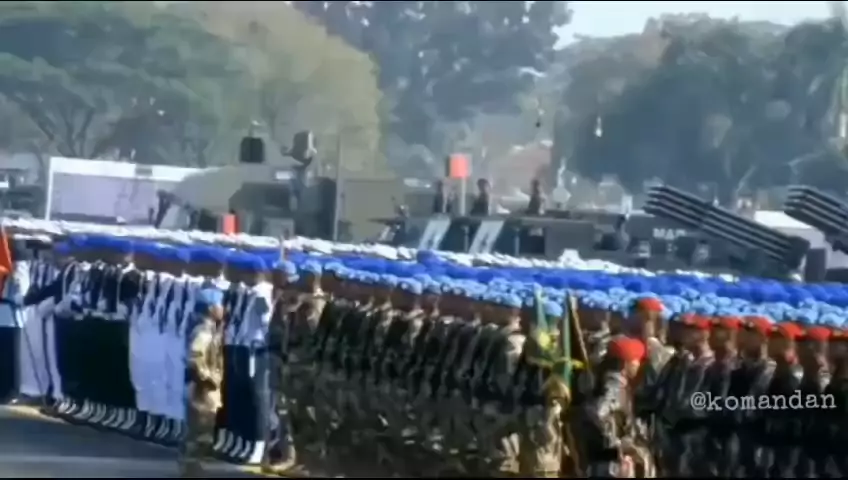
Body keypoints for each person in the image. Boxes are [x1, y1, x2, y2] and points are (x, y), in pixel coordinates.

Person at [179, 287, 225, 477]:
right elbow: (195, 357)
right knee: (200, 433)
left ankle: (191, 469)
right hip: (202, 390)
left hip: (202, 389)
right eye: (220, 305)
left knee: (199, 433)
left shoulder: (208, 328)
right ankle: (192, 470)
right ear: (210, 308)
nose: (222, 309)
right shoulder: (204, 330)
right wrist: (208, 378)